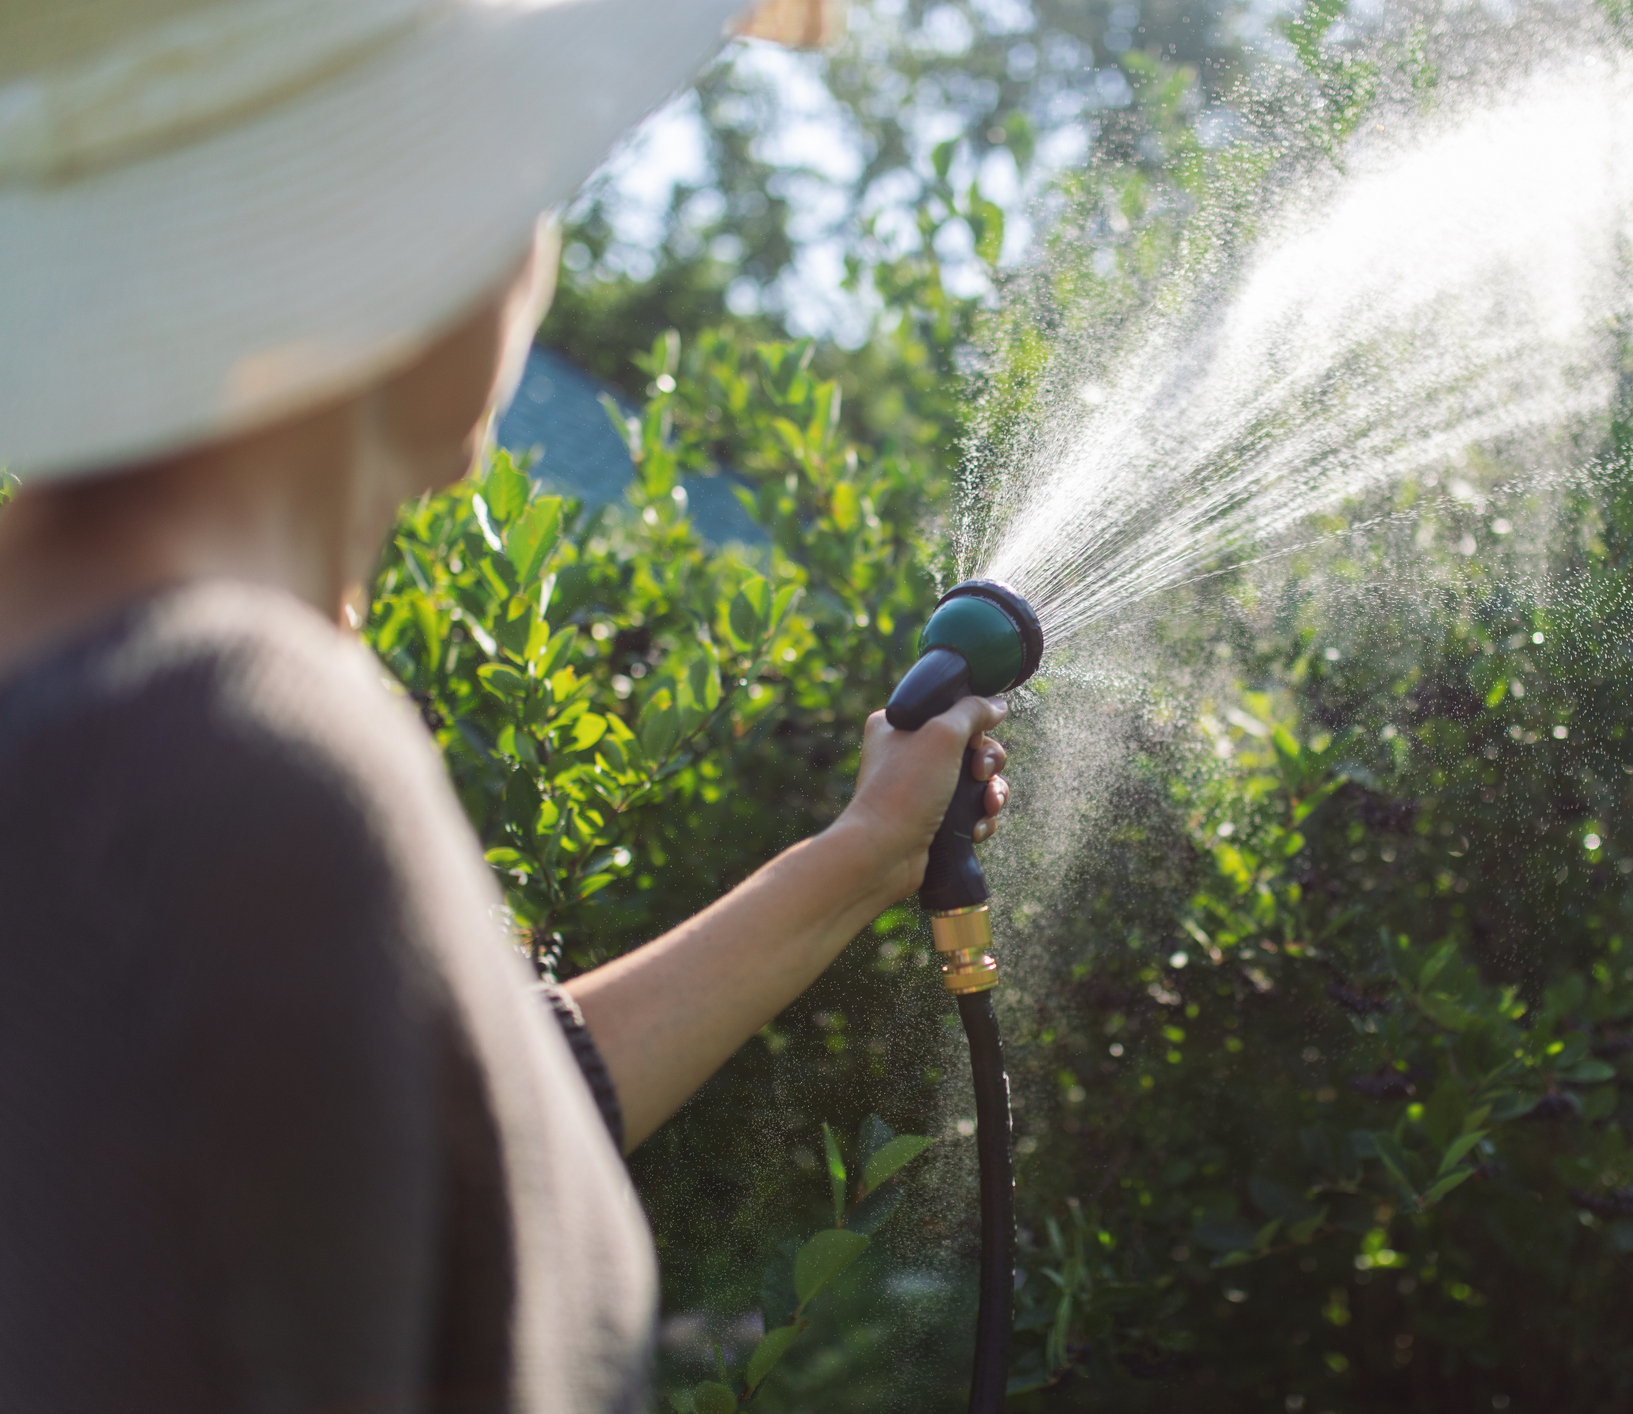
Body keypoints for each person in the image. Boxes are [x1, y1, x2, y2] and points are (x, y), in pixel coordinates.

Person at [0, 1, 1006, 1408]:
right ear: (414, 239)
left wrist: (854, 862)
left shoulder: (131, 719)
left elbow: (447, 1146)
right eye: (523, 185)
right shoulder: (216, 750)